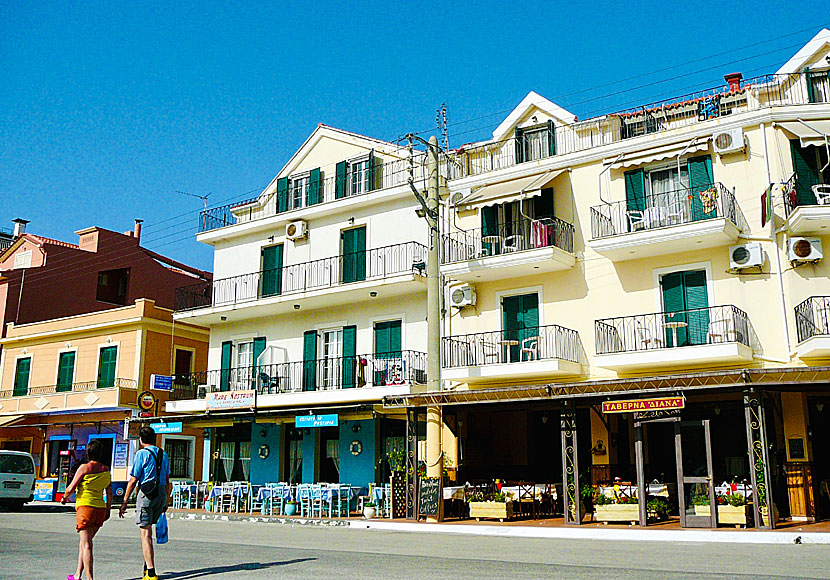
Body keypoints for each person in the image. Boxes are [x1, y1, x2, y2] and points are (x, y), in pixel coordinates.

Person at [119, 426, 172, 580]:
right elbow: (168, 480)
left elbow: (134, 479)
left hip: (147, 493)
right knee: (148, 532)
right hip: (161, 493)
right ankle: (146, 566)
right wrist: (166, 499)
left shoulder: (141, 454)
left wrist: (124, 501)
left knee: (145, 533)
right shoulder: (164, 454)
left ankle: (151, 572)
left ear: (141, 440)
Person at [61, 439, 112, 580]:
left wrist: (64, 498)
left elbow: (70, 488)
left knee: (87, 545)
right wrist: (108, 510)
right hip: (100, 510)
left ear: (88, 453)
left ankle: (90, 578)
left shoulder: (84, 468)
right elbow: (109, 492)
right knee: (84, 543)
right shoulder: (106, 470)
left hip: (85, 509)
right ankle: (77, 574)